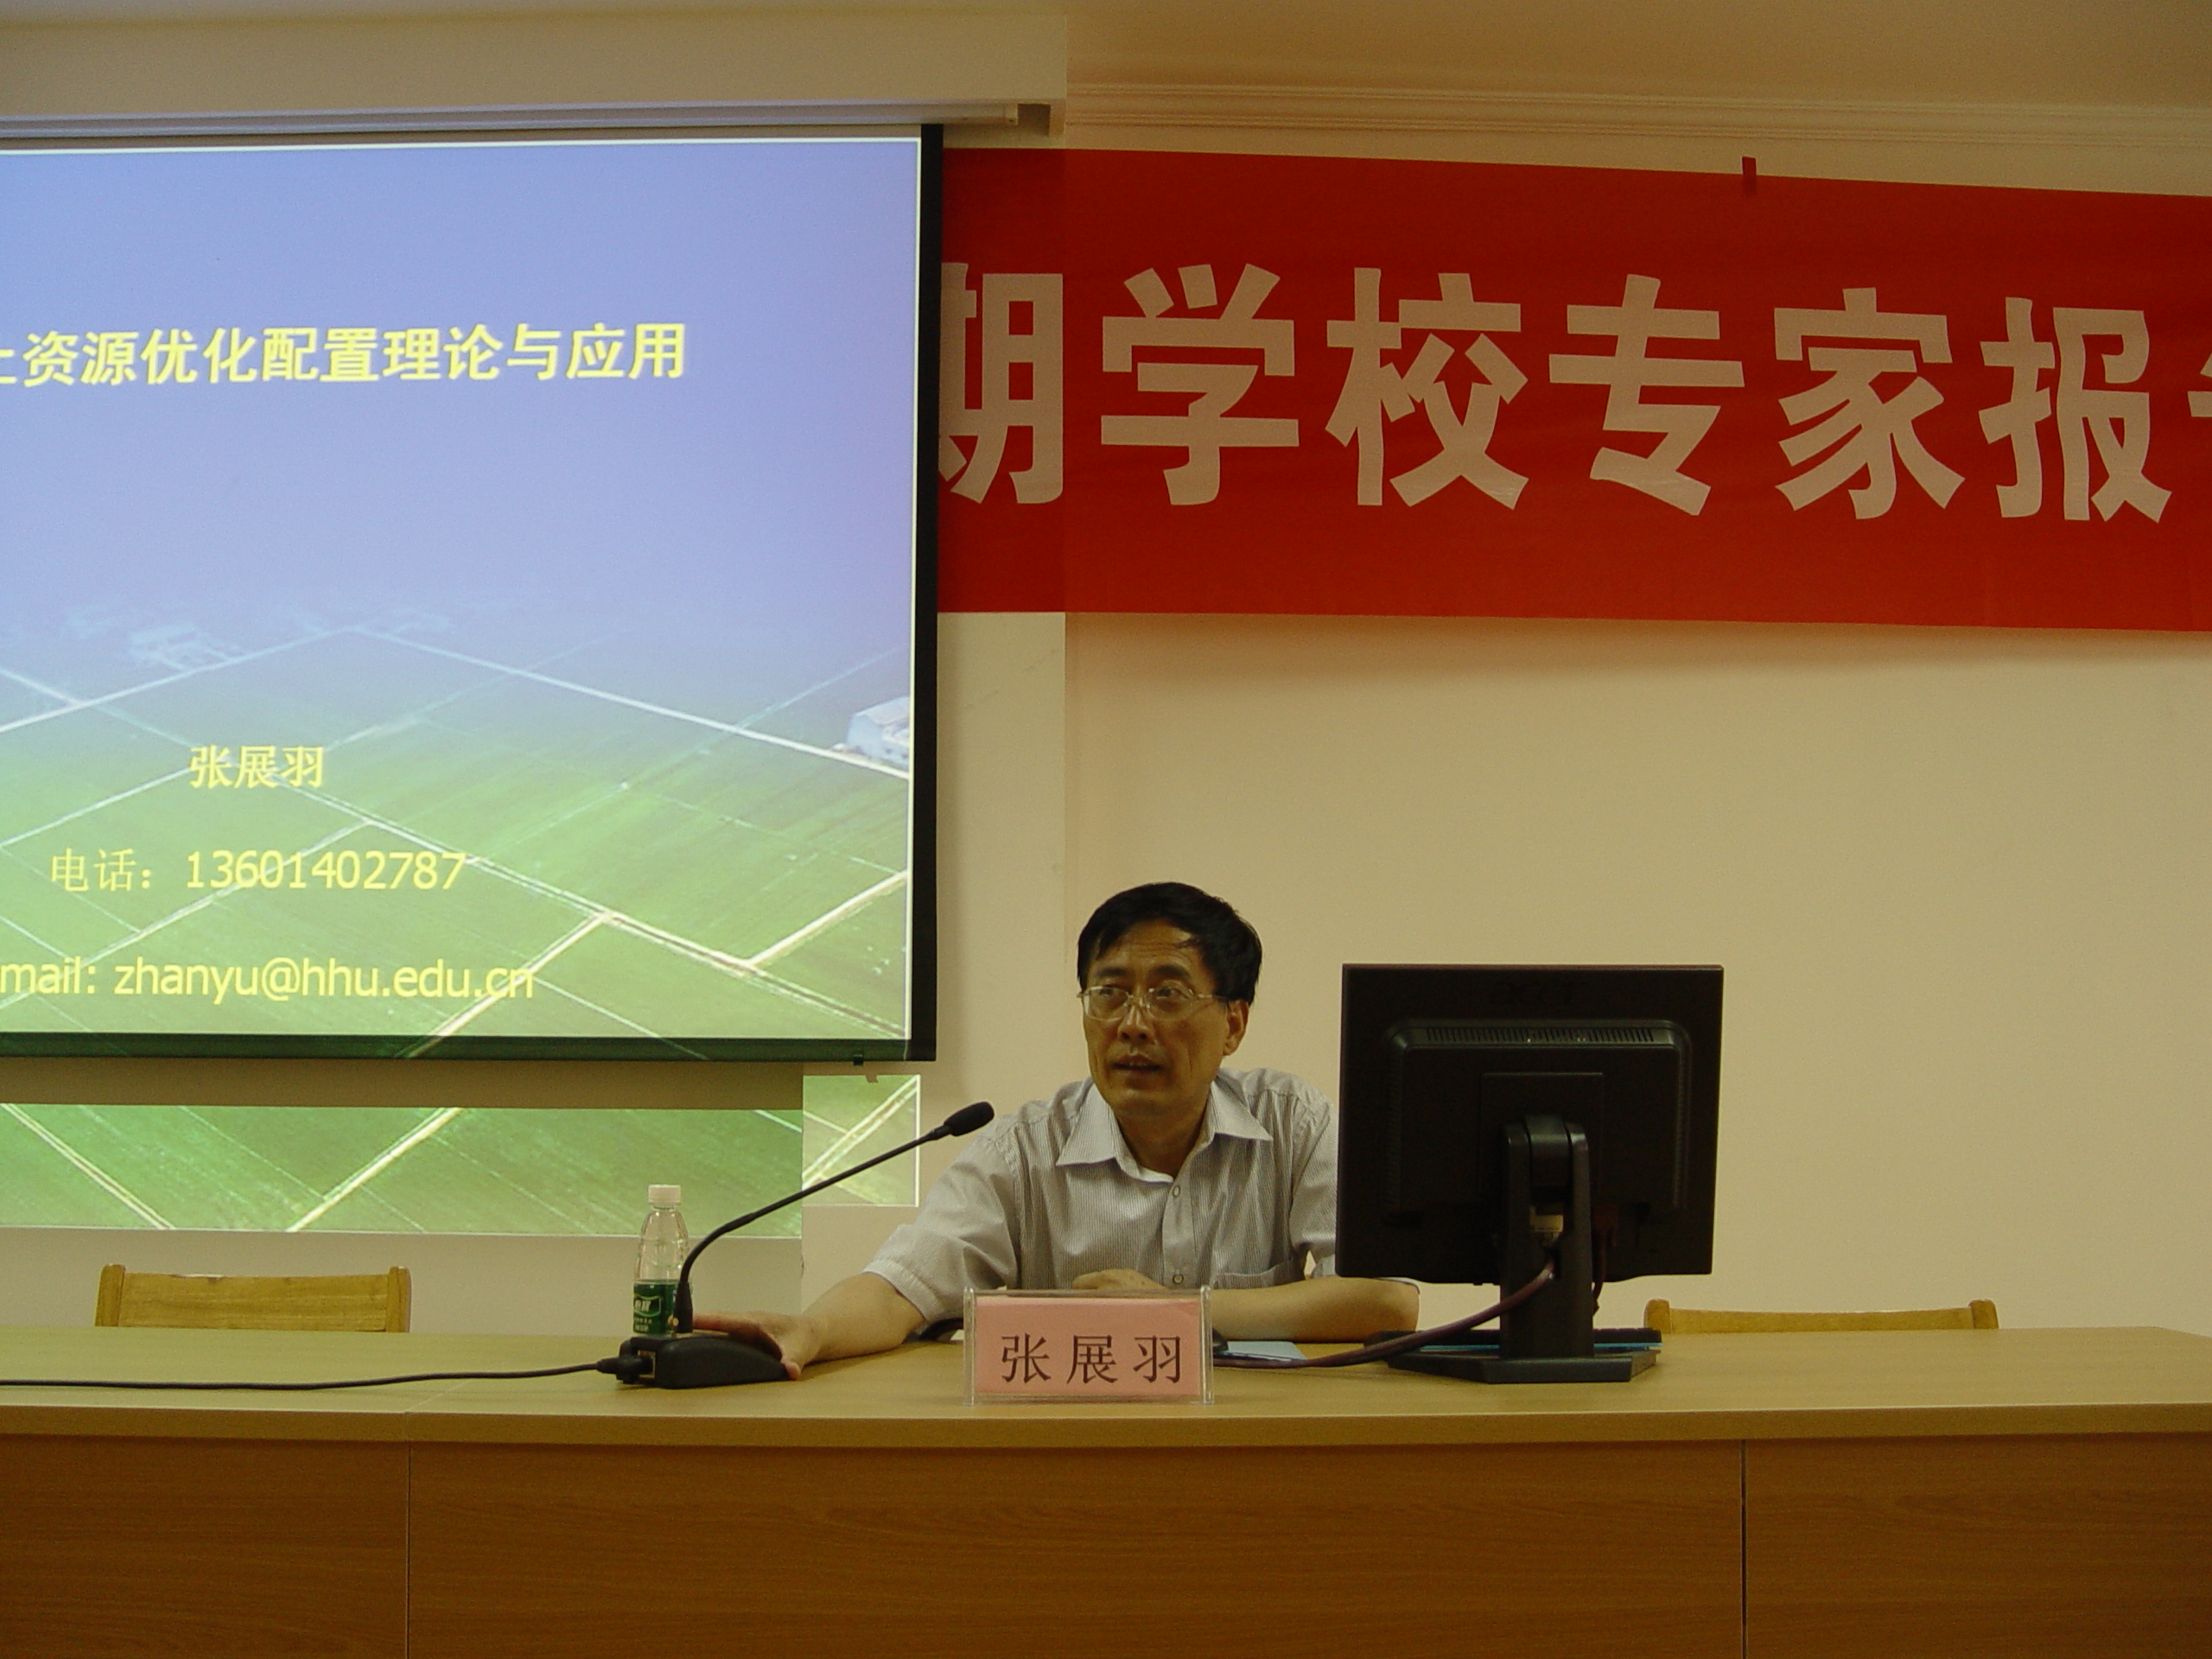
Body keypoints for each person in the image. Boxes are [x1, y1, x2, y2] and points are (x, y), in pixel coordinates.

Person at [695, 881, 1418, 1376]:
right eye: (1110, 993)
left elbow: (1387, 1300)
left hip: (1249, 1449)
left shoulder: (1293, 1122)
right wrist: (812, 1330)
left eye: (1167, 994)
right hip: (1071, 1455)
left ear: (1233, 1023)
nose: (1132, 1024)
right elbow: (900, 1290)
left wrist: (1180, 1313)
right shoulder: (1024, 1150)